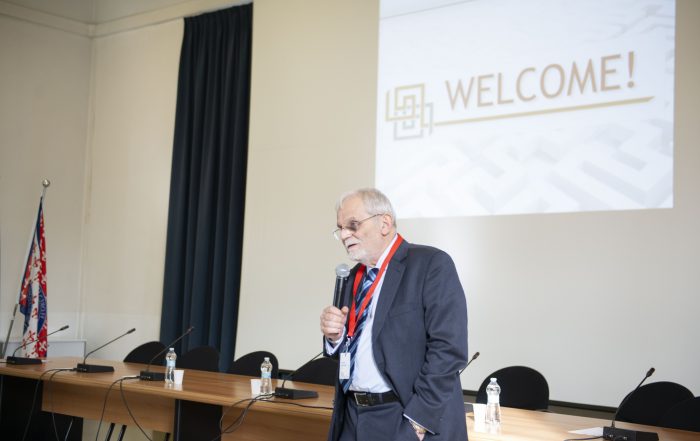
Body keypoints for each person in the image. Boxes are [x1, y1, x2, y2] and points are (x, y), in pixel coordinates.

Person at [320, 188, 468, 441]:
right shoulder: (353, 277)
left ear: (385, 223)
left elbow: (449, 349)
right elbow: (358, 348)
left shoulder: (430, 264)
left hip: (403, 417)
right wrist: (335, 337)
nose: (344, 235)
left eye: (353, 225)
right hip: (353, 417)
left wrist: (417, 423)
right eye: (341, 228)